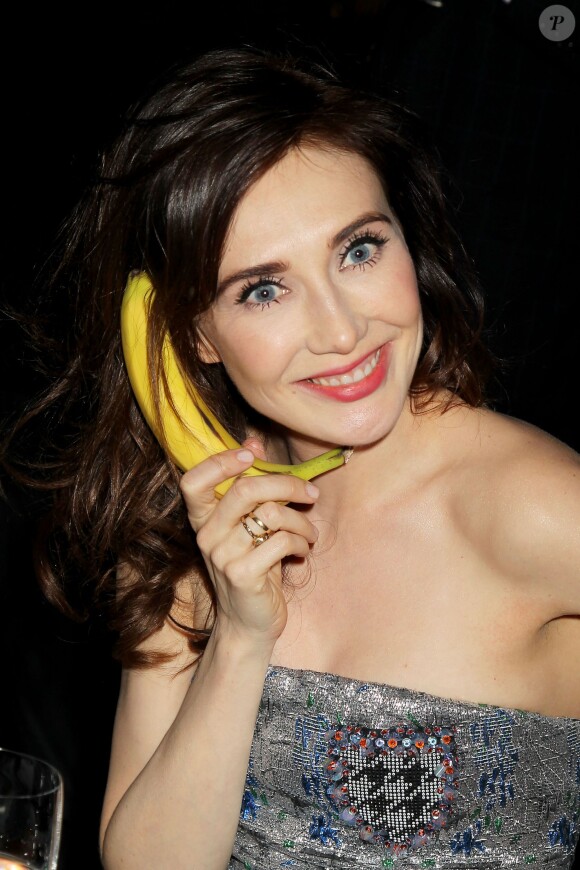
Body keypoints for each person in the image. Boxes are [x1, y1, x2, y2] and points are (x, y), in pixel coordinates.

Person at [3, 45, 579, 868]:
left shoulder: (539, 506)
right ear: (192, 333)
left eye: (359, 250)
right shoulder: (188, 522)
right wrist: (239, 635)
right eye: (264, 289)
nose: (342, 332)